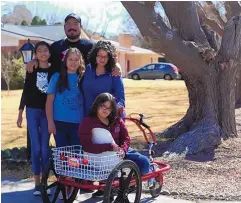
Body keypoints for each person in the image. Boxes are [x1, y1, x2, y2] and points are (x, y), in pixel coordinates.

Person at [79, 93, 150, 198]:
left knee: (144, 165)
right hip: (99, 155)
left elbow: (126, 138)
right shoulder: (88, 122)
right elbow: (87, 146)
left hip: (120, 151)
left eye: (109, 108)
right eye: (103, 106)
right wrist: (109, 147)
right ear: (97, 105)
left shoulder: (117, 120)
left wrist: (123, 150)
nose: (106, 110)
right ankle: (115, 184)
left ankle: (128, 182)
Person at [22, 41, 53, 196]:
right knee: (36, 147)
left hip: (47, 112)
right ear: (35, 54)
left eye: (45, 50)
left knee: (44, 147)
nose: (42, 53)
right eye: (39, 50)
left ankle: (45, 182)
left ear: (49, 53)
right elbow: (26, 90)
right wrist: (20, 111)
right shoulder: (31, 69)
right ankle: (36, 183)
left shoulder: (54, 69)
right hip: (32, 111)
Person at [46, 47, 85, 148]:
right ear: (65, 61)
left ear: (81, 61)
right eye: (70, 59)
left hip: (78, 124)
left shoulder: (83, 78)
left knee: (76, 156)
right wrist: (50, 122)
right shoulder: (56, 77)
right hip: (59, 123)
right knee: (62, 155)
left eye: (76, 59)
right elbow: (49, 101)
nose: (73, 62)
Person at [81, 41, 125, 117]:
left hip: (107, 118)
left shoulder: (114, 73)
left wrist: (116, 109)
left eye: (106, 56)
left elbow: (120, 99)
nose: (102, 59)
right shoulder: (88, 69)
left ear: (109, 58)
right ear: (95, 55)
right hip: (88, 116)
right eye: (99, 55)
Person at [17, 91, 31, 161]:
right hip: (32, 111)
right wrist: (20, 114)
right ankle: (30, 157)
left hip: (45, 111)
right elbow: (25, 94)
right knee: (31, 136)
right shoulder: (29, 80)